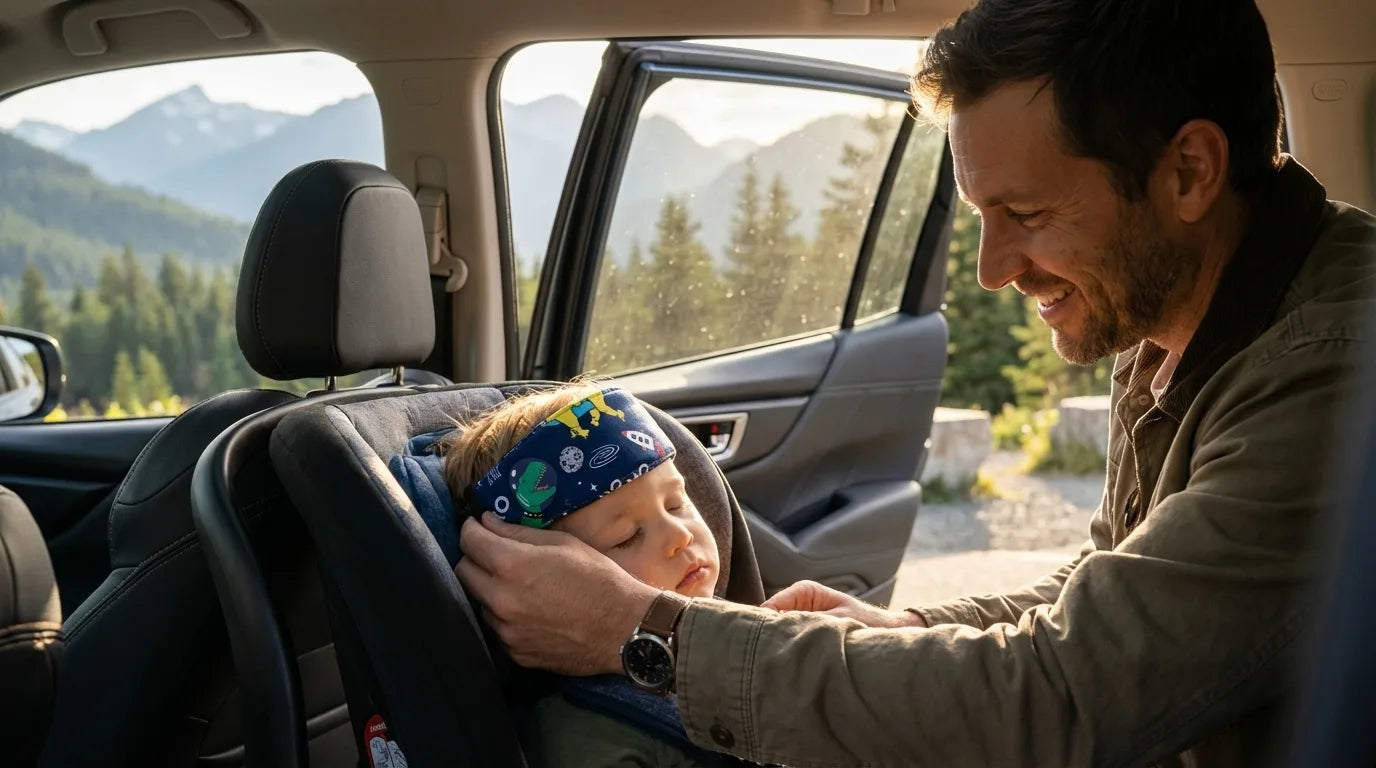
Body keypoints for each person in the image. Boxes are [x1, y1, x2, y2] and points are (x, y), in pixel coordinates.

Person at [455, 0, 1376, 765]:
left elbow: (1064, 697)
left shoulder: (1333, 374)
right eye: (983, 216)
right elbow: (1108, 591)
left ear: (1189, 172)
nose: (993, 268)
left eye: (1026, 213)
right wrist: (902, 629)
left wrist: (641, 633)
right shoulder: (1177, 317)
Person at [433, 383, 745, 767]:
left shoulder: (738, 628)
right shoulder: (585, 735)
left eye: (677, 503)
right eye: (626, 538)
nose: (679, 536)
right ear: (535, 587)